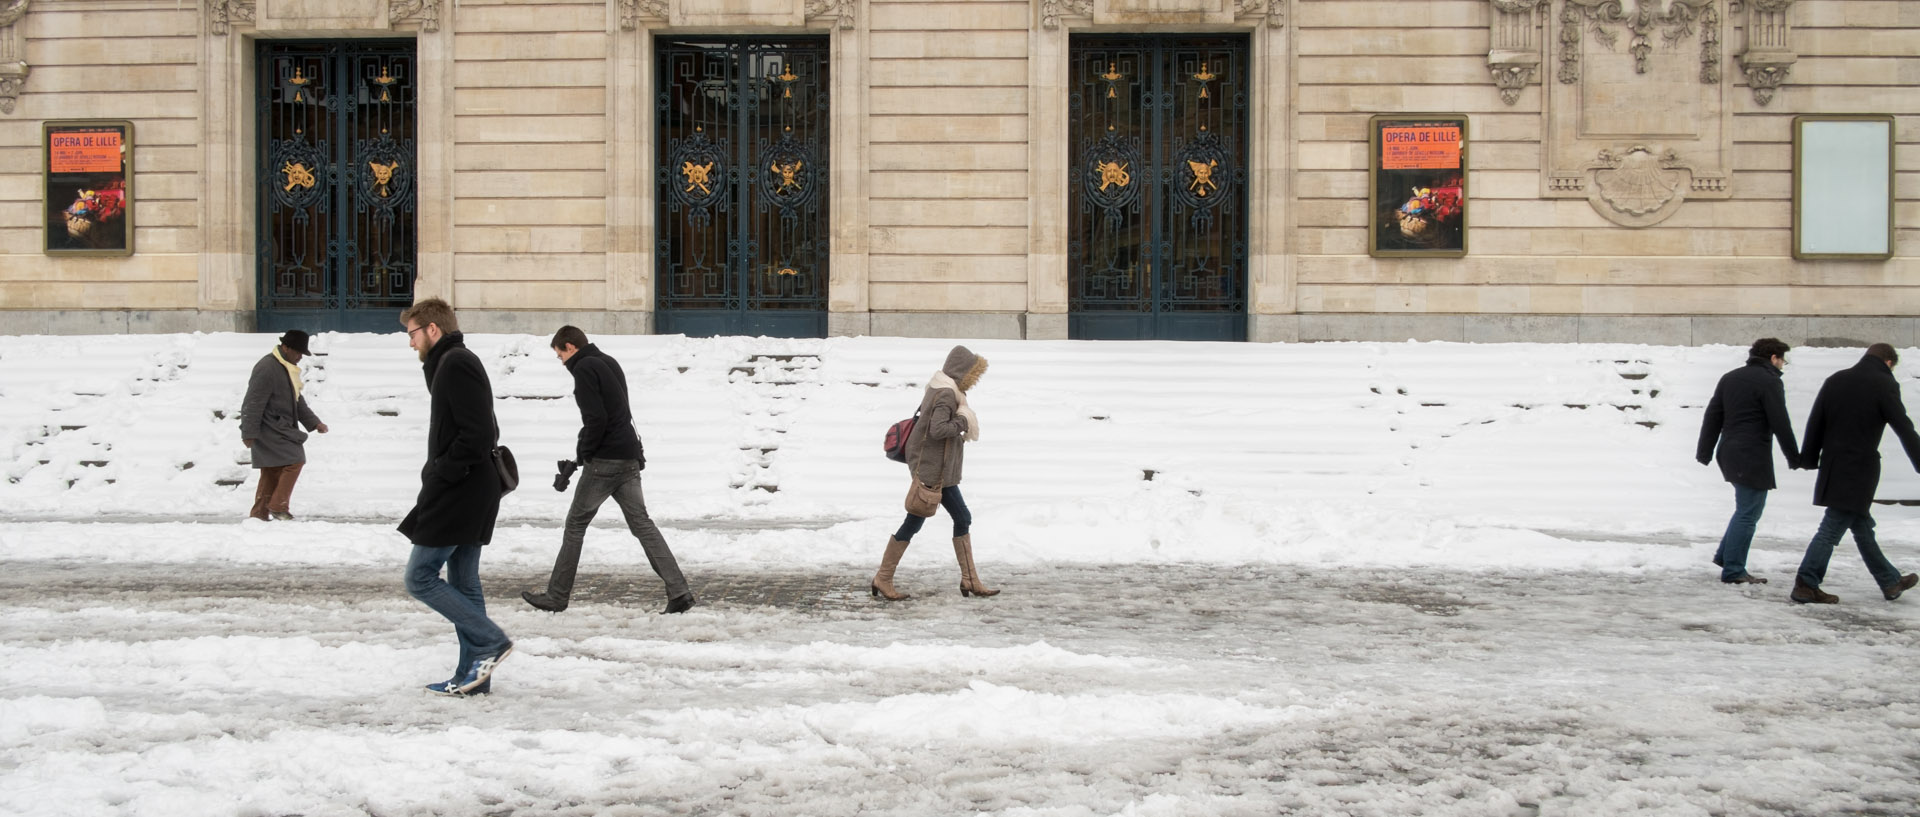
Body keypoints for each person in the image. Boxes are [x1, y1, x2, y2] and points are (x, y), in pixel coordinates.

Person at [522, 326, 694, 615]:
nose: (561, 362)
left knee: (575, 525)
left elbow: (596, 419)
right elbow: (621, 412)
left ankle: (557, 595)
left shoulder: (584, 369)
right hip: (628, 457)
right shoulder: (608, 361)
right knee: (643, 525)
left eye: (559, 354)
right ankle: (679, 592)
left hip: (604, 462)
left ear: (570, 346)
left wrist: (584, 454)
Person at [398, 298, 513, 695]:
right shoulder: (449, 362)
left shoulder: (456, 363)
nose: (410, 343)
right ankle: (473, 677)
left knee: (419, 577)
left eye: (412, 334)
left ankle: (491, 640)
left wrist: (440, 470)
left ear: (432, 329)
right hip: (469, 484)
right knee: (463, 580)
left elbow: (480, 433)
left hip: (461, 487)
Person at [1790, 343, 1920, 604]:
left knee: (1862, 527)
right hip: (1859, 467)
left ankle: (1889, 580)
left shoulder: (1836, 380)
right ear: (1888, 362)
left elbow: (1816, 420)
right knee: (1832, 527)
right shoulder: (1884, 384)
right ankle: (1806, 582)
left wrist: (1809, 458)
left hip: (1834, 463)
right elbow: (1903, 426)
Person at [871, 344, 997, 601]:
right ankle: (884, 578)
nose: (974, 381)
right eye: (973, 374)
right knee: (943, 518)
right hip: (934, 471)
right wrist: (963, 420)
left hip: (937, 468)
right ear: (964, 372)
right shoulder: (947, 395)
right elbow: (938, 429)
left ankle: (969, 579)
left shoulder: (940, 387)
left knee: (946, 519)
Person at [1695, 338, 1799, 584]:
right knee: (1749, 512)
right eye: (1783, 359)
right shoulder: (1770, 381)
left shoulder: (1730, 377)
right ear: (1773, 357)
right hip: (1751, 453)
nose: (1783, 365)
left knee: (1745, 508)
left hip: (1729, 450)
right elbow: (1780, 421)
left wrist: (1705, 451)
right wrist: (1794, 456)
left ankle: (1725, 556)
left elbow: (1713, 415)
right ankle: (1733, 570)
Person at [239, 330, 328, 521]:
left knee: (271, 470)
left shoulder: (286, 367)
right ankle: (278, 507)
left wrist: (315, 423)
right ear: (285, 347)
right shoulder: (267, 367)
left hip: (279, 426)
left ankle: (259, 514)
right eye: (297, 353)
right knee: (295, 459)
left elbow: (297, 400)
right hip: (269, 427)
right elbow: (252, 402)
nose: (299, 357)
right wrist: (248, 432)